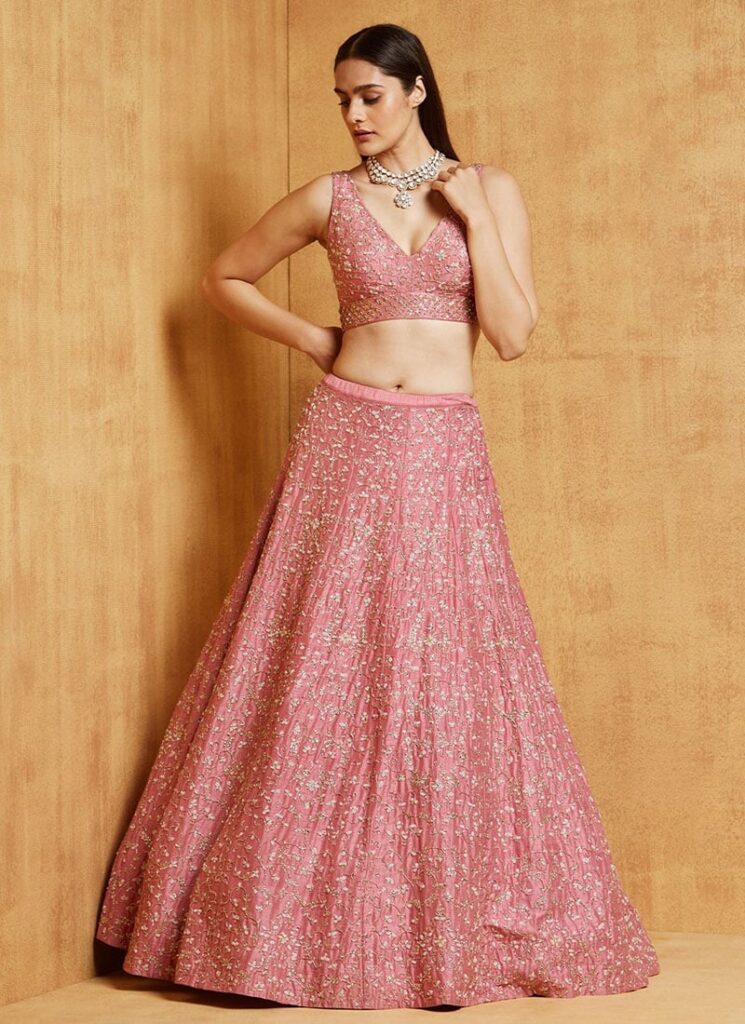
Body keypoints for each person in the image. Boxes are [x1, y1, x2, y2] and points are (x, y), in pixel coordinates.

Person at [95, 22, 660, 1010]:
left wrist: (472, 217)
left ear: (415, 91)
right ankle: (266, 929)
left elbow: (513, 335)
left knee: (443, 655)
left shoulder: (489, 189)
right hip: (346, 435)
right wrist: (315, 338)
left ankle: (435, 927)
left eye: (369, 96)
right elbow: (222, 278)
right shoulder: (329, 198)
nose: (354, 115)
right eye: (342, 100)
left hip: (441, 442)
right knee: (317, 648)